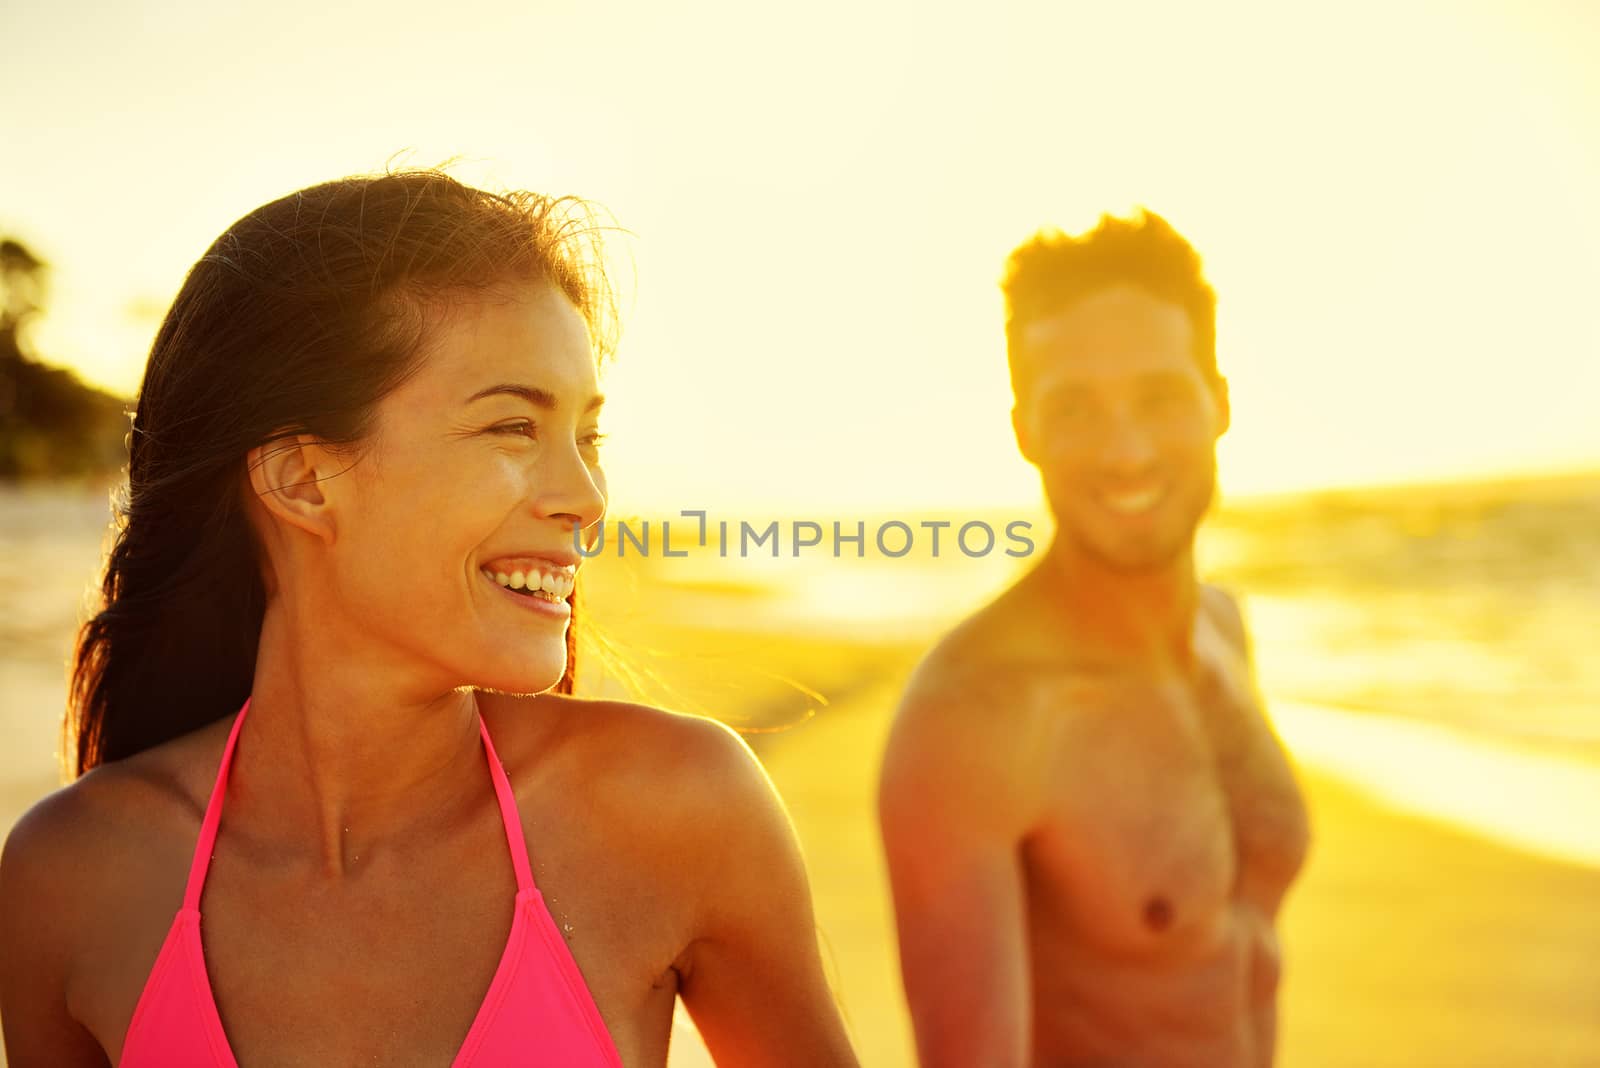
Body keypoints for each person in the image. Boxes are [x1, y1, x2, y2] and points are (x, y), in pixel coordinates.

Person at [0, 171, 858, 1067]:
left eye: (587, 439)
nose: (587, 498)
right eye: (512, 429)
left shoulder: (676, 809)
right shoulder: (72, 879)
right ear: (302, 479)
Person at [877, 209, 1311, 1067]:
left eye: (1158, 396)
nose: (1126, 450)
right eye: (1075, 408)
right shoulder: (975, 719)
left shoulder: (1224, 629)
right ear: (1025, 432)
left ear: (1219, 400)